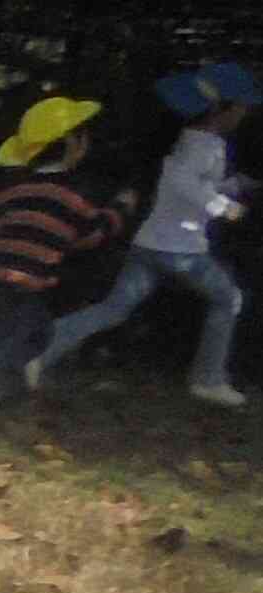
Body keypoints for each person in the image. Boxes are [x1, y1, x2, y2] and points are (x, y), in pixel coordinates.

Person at [31, 61, 251, 410]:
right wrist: (222, 206)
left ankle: (39, 352)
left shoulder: (197, 141)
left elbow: (189, 183)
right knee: (229, 299)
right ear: (220, 109)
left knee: (114, 308)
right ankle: (208, 380)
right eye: (240, 107)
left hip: (152, 243)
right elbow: (181, 183)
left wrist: (231, 187)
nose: (244, 114)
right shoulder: (203, 143)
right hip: (180, 249)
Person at [0, 98, 138, 422]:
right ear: (72, 144)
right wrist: (122, 208)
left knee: (33, 334)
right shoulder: (69, 198)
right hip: (27, 283)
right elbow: (91, 234)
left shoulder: (12, 191)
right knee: (5, 350)